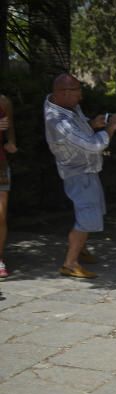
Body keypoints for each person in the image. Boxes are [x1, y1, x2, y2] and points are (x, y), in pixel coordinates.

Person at [43, 74, 116, 279]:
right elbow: (94, 145)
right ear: (64, 92)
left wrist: (92, 123)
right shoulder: (59, 121)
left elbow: (81, 128)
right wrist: (109, 129)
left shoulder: (66, 106)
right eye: (77, 92)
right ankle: (70, 263)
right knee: (87, 217)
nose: (80, 98)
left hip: (87, 171)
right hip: (78, 173)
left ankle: (80, 248)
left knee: (94, 210)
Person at [0, 93, 17, 280]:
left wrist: (10, 143)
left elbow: (10, 134)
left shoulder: (4, 101)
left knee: (0, 215)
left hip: (0, 165)